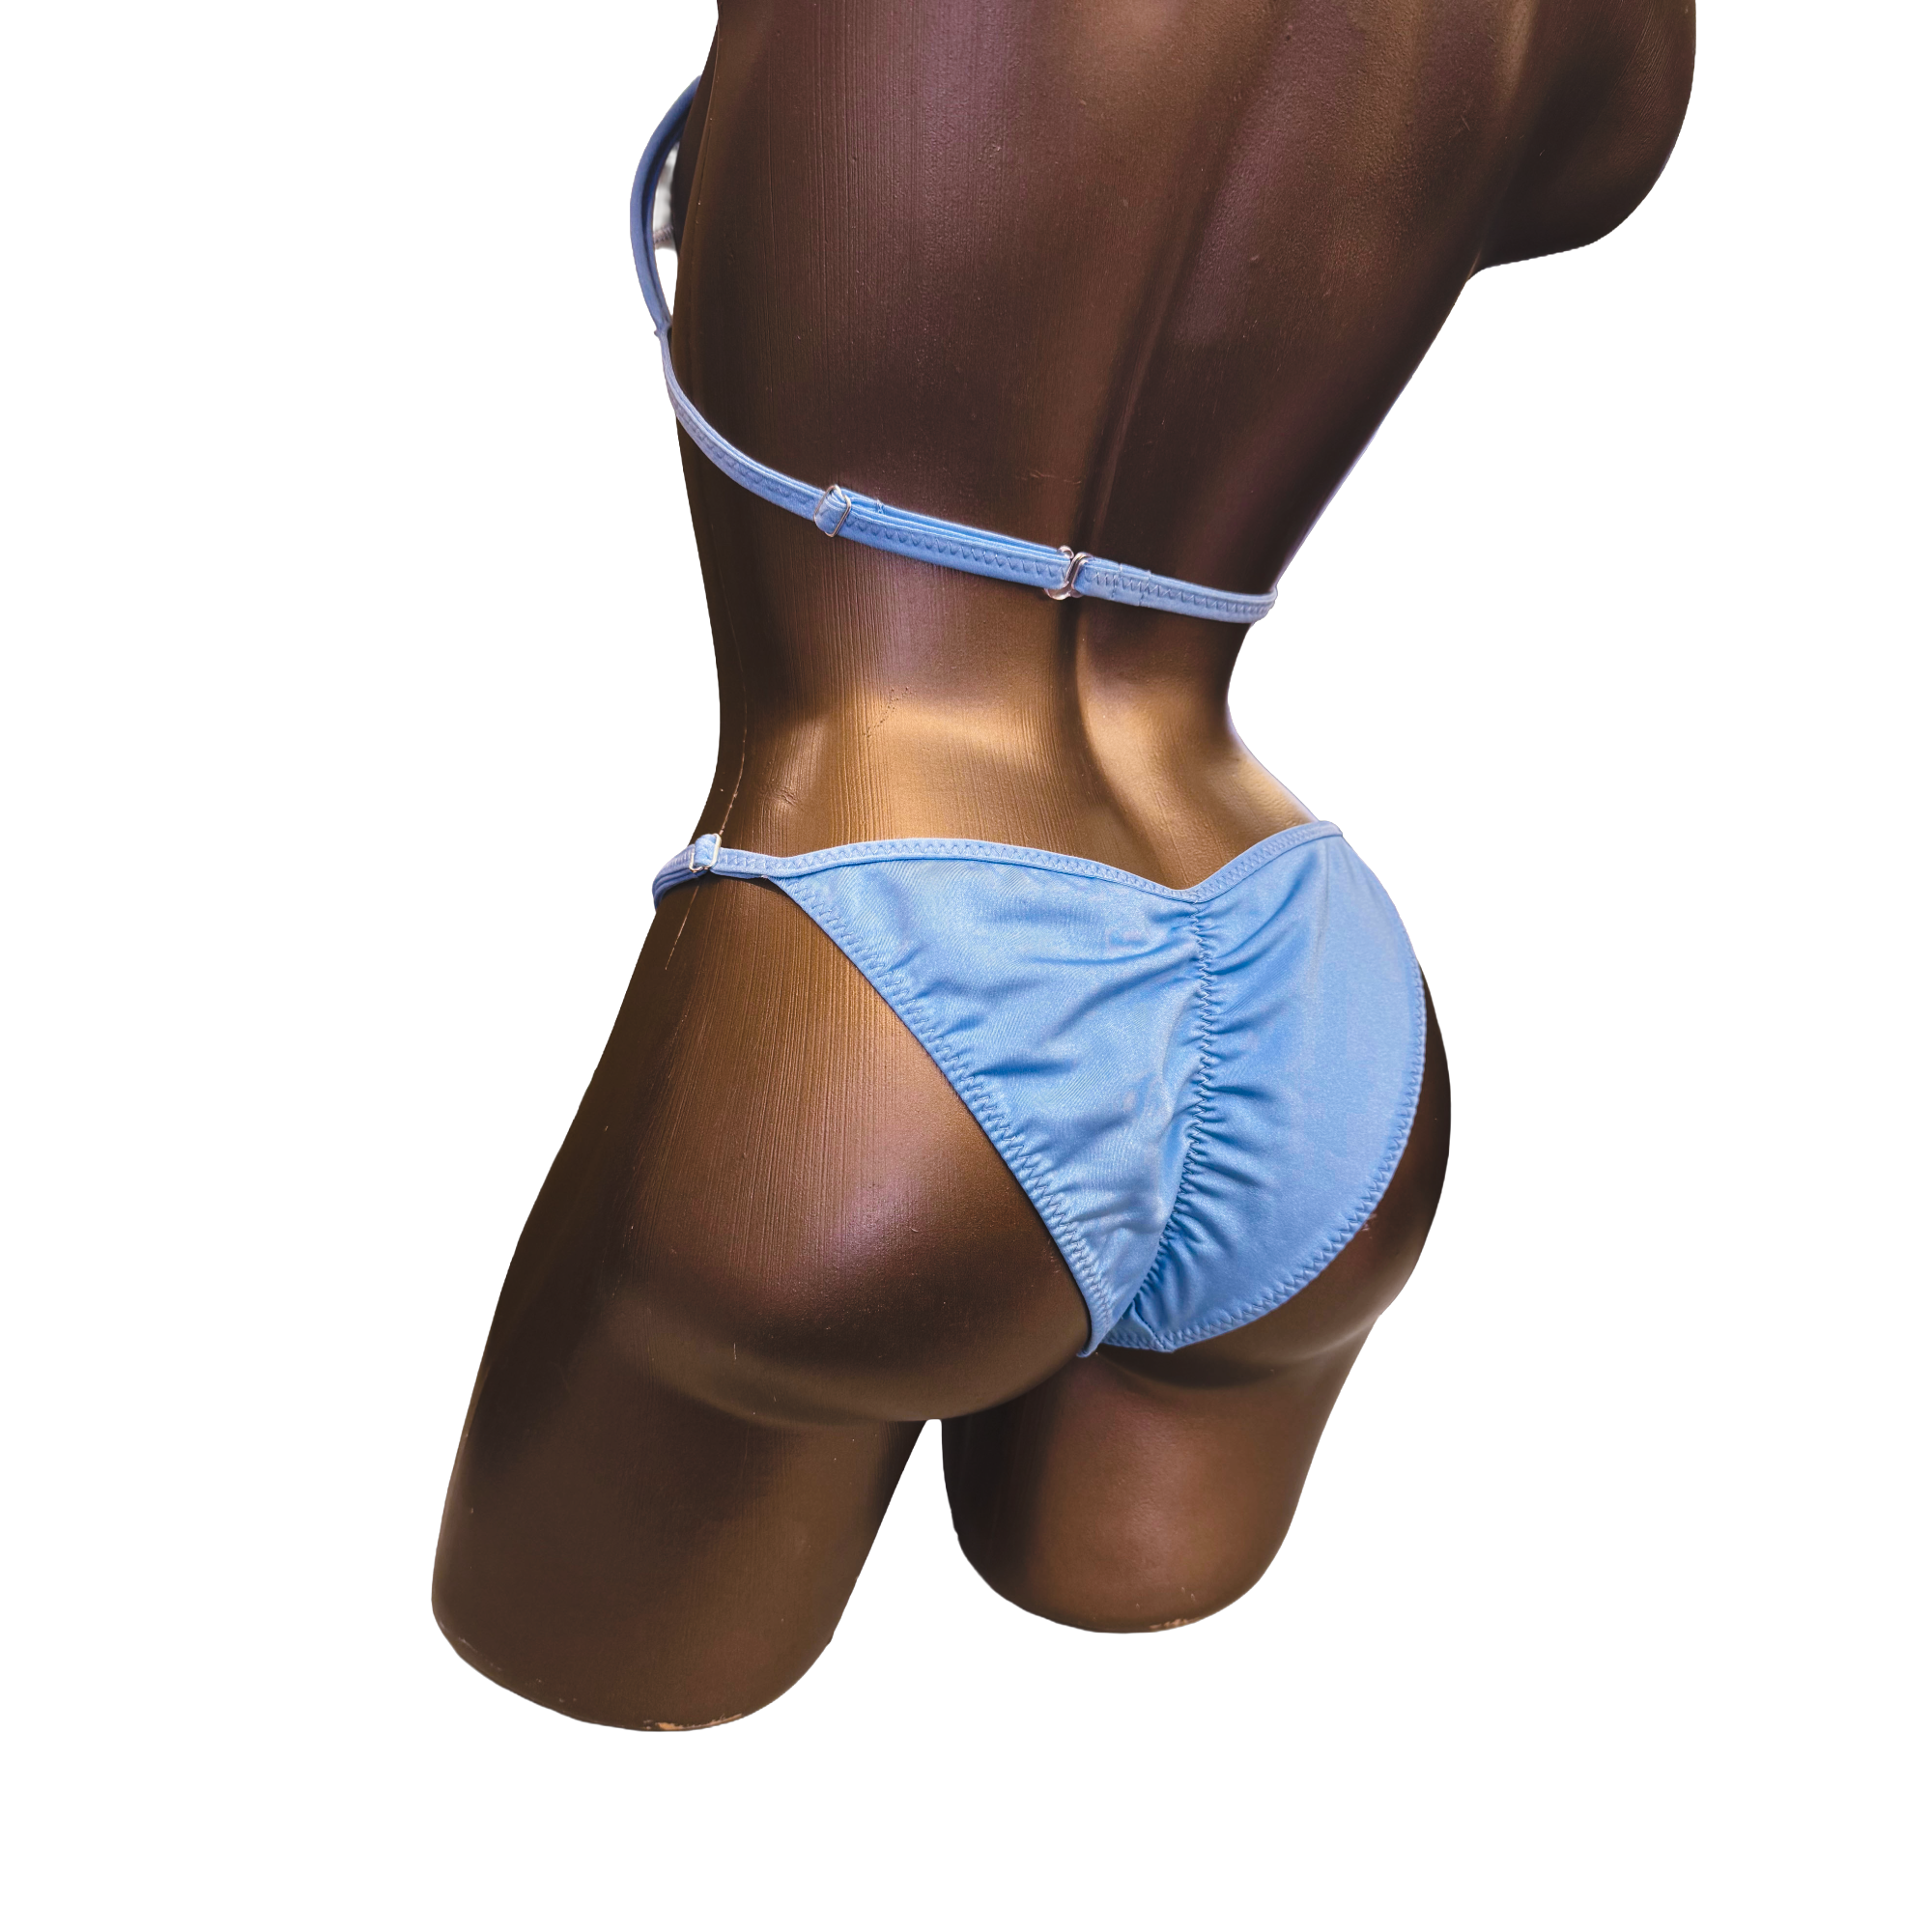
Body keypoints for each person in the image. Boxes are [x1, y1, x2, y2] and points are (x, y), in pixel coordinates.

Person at [434, 0, 1694, 1729]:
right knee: (1132, 1746)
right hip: (1306, 976)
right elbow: (1591, 165)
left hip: (863, 966)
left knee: (545, 1709)